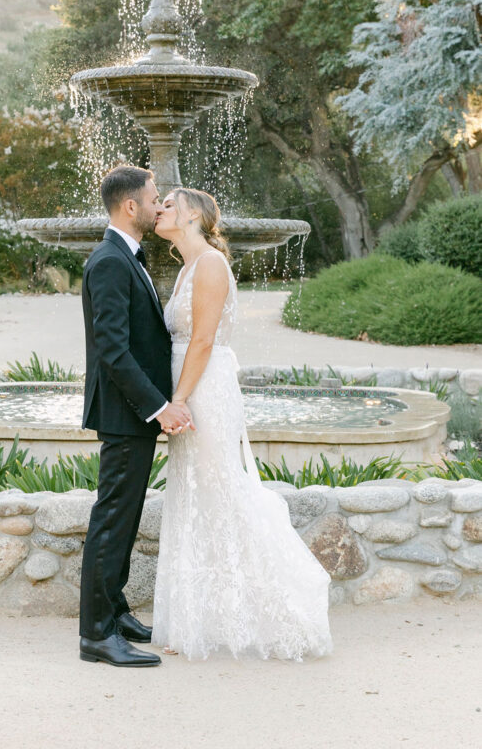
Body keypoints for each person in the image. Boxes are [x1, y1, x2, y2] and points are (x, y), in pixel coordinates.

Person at [152, 186, 333, 661]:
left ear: (191, 215)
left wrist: (180, 400)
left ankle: (288, 610)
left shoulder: (210, 264)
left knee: (222, 492)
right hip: (190, 388)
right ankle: (203, 619)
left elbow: (205, 340)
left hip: (204, 391)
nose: (160, 209)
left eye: (169, 204)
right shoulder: (187, 267)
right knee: (197, 496)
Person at [78, 164, 194, 668]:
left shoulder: (125, 257)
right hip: (127, 414)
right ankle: (97, 636)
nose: (157, 206)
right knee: (112, 520)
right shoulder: (108, 261)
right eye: (152, 199)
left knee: (122, 520)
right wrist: (159, 406)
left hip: (133, 415)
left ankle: (116, 611)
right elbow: (113, 350)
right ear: (131, 206)